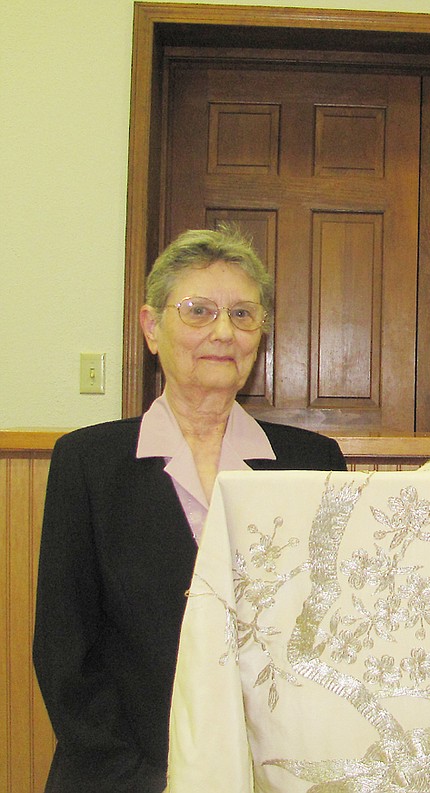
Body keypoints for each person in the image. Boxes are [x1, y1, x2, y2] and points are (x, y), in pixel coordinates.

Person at [33, 226, 347, 792]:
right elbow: (64, 653)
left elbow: (333, 637)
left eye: (243, 315)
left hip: (273, 773)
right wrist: (145, 781)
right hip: (124, 772)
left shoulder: (312, 462)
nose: (223, 332)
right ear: (152, 328)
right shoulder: (87, 462)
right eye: (198, 311)